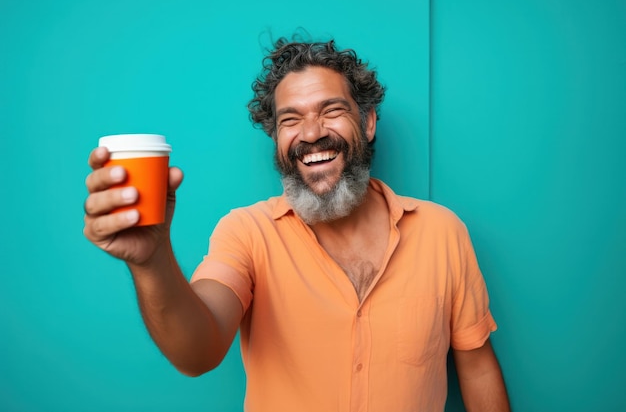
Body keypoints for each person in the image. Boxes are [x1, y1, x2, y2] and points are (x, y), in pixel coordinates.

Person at [83, 36, 511, 412]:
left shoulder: (441, 232)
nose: (310, 133)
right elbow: (197, 352)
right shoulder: (246, 233)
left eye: (331, 110)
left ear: (368, 121)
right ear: (276, 138)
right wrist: (151, 262)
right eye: (290, 120)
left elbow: (476, 368)